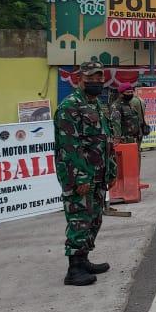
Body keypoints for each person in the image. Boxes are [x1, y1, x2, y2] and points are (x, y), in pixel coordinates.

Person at [54, 61, 117, 286]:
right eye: (91, 78)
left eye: (100, 78)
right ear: (80, 79)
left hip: (98, 175)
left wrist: (111, 169)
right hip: (80, 176)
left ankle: (84, 259)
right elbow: (69, 145)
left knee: (94, 218)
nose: (96, 82)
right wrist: (80, 177)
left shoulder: (96, 105)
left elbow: (105, 139)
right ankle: (74, 270)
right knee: (79, 220)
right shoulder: (70, 106)